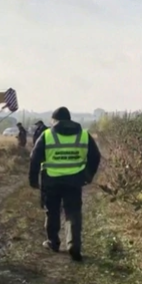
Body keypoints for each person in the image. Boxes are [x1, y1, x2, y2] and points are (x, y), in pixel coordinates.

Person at [29, 106, 101, 262]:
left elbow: (34, 158)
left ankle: (53, 242)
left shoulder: (46, 135)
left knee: (52, 211)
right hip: (74, 181)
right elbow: (95, 156)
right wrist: (88, 175)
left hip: (51, 181)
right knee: (73, 212)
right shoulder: (83, 135)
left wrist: (33, 180)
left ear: (54, 120)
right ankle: (74, 244)